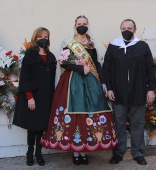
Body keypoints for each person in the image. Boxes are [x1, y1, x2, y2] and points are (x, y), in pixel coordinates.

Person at [41, 15, 118, 165]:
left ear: (88, 25)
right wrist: (80, 68)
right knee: (74, 115)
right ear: (74, 25)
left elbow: (96, 63)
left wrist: (103, 82)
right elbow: (63, 63)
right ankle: (76, 152)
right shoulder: (68, 42)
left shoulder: (91, 43)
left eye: (84, 24)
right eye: (79, 24)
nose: (82, 26)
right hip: (72, 81)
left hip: (91, 82)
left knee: (89, 115)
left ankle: (84, 150)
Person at [103, 19, 156, 165]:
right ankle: (118, 153)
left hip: (138, 91)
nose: (127, 30)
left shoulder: (142, 46)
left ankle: (138, 152)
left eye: (130, 28)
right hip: (118, 92)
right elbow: (106, 69)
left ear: (135, 29)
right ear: (120, 29)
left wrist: (151, 89)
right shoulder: (114, 47)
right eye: (124, 28)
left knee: (137, 123)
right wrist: (109, 88)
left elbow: (150, 69)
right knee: (118, 122)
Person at [13, 27, 56, 166]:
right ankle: (30, 152)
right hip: (33, 96)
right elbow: (25, 77)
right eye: (40, 36)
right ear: (35, 38)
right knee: (32, 126)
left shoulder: (51, 56)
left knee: (42, 126)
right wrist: (29, 97)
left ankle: (39, 153)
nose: (43, 38)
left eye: (46, 36)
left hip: (46, 97)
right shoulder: (30, 55)